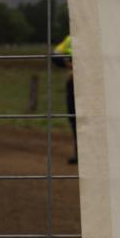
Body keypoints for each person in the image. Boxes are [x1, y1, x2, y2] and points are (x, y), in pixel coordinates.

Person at [52, 35, 77, 164]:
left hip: (91, 83)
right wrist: (67, 64)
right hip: (74, 81)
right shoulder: (71, 39)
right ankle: (80, 154)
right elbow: (55, 55)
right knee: (74, 119)